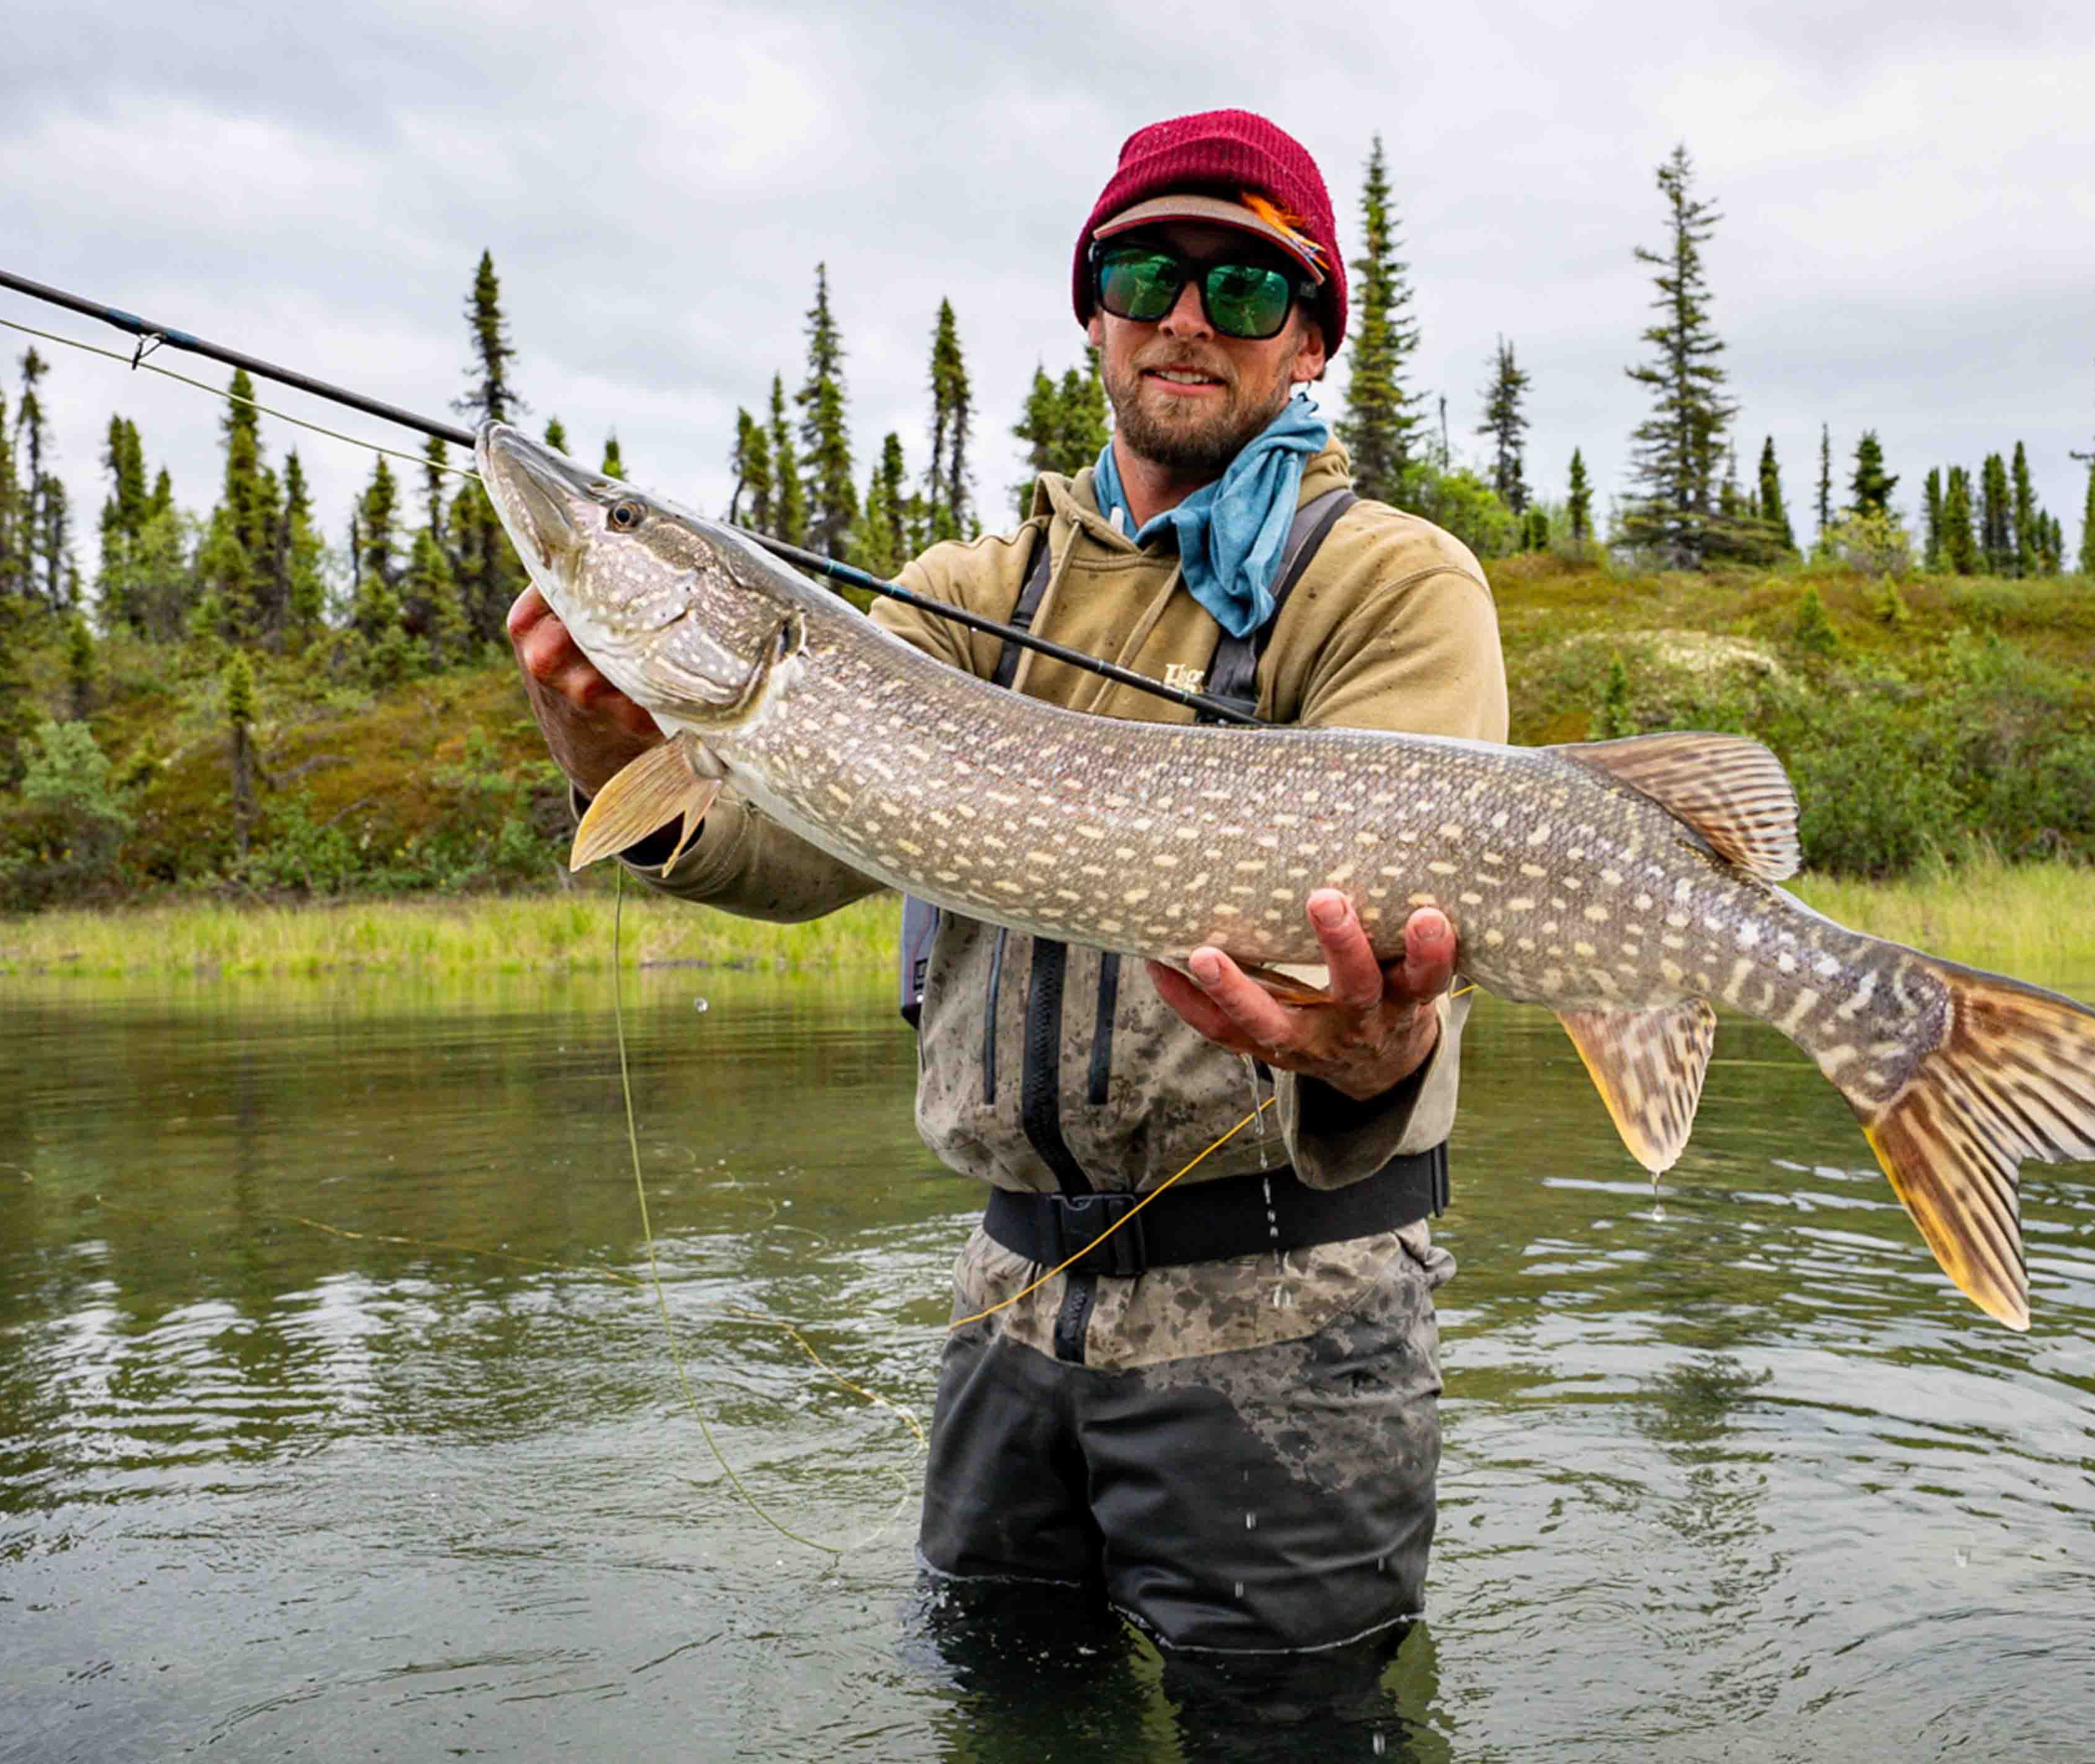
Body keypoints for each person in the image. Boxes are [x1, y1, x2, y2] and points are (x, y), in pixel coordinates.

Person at [507, 110, 1508, 1675]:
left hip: (1289, 1303)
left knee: (1290, 1734)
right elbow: (796, 849)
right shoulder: (970, 595)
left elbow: (1416, 934)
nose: (1185, 314)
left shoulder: (1383, 581)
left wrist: (1374, 1049)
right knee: (1004, 1709)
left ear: (1307, 341)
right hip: (1015, 1296)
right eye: (1142, 269)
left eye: (1244, 288)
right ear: (1092, 309)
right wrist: (607, 753)